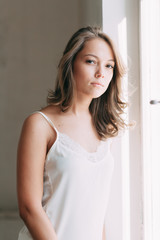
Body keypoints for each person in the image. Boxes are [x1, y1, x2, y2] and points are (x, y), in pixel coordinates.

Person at [17, 26, 127, 240]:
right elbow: (29, 209)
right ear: (71, 64)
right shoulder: (40, 125)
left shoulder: (105, 131)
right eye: (91, 61)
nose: (101, 73)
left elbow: (96, 210)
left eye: (109, 66)